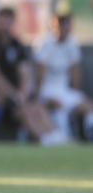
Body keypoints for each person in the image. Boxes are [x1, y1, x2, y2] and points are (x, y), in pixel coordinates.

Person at [0, 7, 65, 146]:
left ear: (12, 22)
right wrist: (14, 95)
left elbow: (26, 73)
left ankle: (55, 135)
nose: (4, 25)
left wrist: (22, 94)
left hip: (17, 95)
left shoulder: (17, 45)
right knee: (23, 110)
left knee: (37, 107)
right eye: (1, 21)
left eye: (8, 21)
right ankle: (44, 139)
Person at [35, 14, 93, 142]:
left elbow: (75, 70)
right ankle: (64, 138)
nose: (65, 29)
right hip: (47, 90)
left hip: (64, 90)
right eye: (61, 26)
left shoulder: (72, 43)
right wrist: (40, 98)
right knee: (59, 106)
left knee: (89, 106)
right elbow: (40, 74)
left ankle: (90, 137)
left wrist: (76, 93)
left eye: (67, 26)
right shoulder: (45, 44)